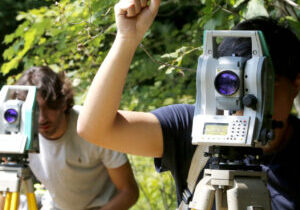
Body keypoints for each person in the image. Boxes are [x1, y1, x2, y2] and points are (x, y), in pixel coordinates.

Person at [77, 0, 300, 209]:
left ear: (295, 84)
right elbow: (95, 129)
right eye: (237, 85)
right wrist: (127, 39)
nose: (245, 103)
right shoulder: (198, 129)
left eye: (261, 85)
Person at [15, 66, 139, 210]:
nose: (42, 118)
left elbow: (129, 192)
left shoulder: (93, 126)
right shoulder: (18, 135)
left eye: (49, 106)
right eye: (34, 110)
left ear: (62, 102)